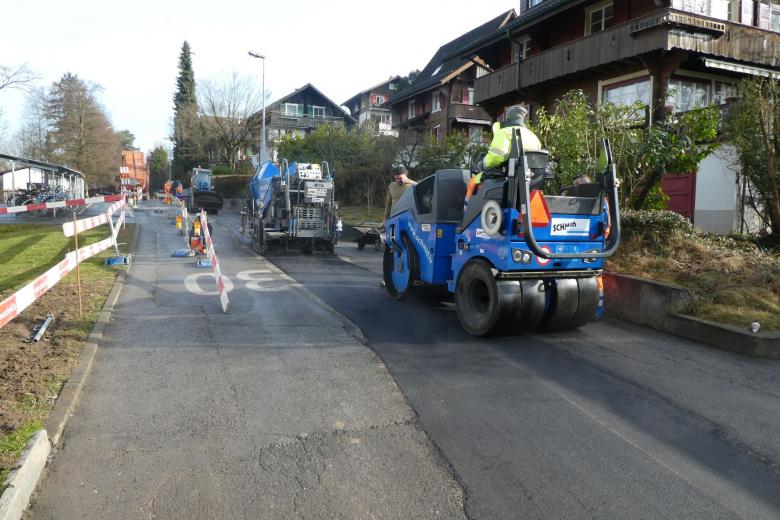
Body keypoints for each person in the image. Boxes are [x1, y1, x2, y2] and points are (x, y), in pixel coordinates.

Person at [465, 105, 542, 204]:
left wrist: (482, 164)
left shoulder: (504, 132)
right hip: (529, 181)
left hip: (505, 177)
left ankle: (466, 211)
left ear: (508, 117)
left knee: (473, 182)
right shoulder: (533, 137)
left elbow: (495, 157)